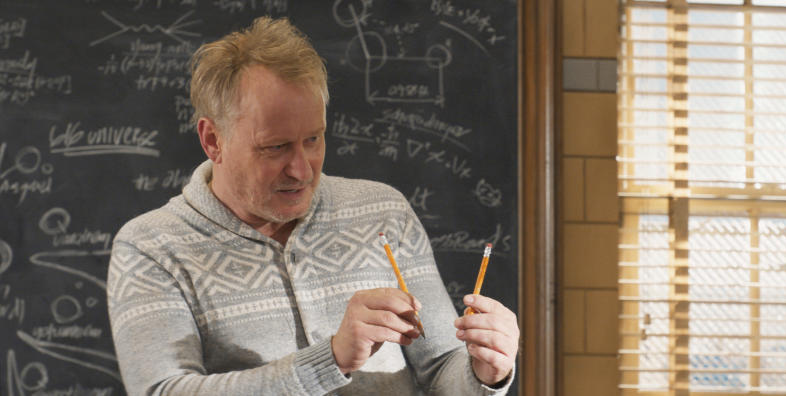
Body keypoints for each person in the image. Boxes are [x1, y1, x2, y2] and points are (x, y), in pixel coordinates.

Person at [107, 16, 518, 395]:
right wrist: (331, 359)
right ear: (213, 140)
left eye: (314, 139)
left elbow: (440, 367)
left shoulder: (383, 211)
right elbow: (162, 391)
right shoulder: (149, 247)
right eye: (276, 147)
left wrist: (484, 372)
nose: (302, 169)